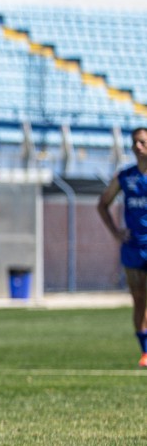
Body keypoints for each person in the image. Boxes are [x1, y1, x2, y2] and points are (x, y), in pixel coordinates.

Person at [98, 127, 147, 367]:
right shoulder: (125, 177)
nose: (138, 146)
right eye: (135, 142)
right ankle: (145, 352)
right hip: (133, 247)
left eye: (143, 142)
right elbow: (102, 204)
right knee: (139, 299)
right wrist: (116, 232)